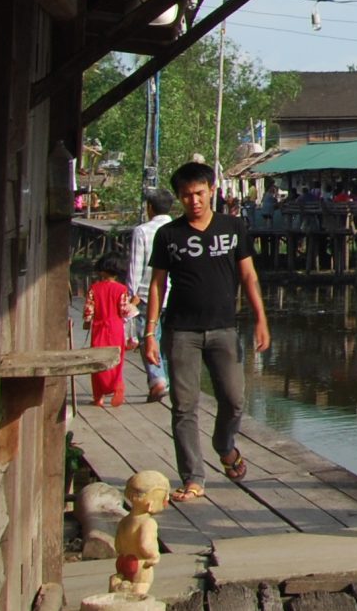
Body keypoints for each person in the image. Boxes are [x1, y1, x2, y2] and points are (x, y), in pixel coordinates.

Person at [141, 161, 271, 502]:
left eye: (199, 193)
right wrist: (150, 333)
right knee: (184, 407)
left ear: (212, 190)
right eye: (186, 195)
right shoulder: (169, 235)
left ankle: (224, 446)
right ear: (179, 198)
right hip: (180, 331)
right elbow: (157, 285)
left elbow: (249, 276)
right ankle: (193, 477)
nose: (194, 201)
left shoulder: (233, 227)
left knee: (234, 400)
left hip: (223, 329)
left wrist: (261, 318)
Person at [126, 187, 177, 402]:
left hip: (148, 294)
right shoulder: (178, 229)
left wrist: (131, 294)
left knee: (149, 338)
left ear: (149, 207)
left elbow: (135, 265)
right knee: (167, 340)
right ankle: (166, 379)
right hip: (174, 294)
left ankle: (157, 380)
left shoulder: (142, 231)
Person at [82, 266, 131, 407]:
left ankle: (99, 396)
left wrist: (87, 321)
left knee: (97, 359)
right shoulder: (122, 289)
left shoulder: (94, 288)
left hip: (99, 327)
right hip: (116, 327)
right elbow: (124, 311)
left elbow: (89, 310)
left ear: (103, 272)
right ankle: (117, 386)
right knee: (117, 360)